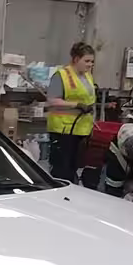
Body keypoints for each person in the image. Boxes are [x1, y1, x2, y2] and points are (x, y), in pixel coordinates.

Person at [46, 42, 97, 182]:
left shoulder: (87, 76)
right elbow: (52, 100)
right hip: (63, 130)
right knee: (62, 169)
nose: (90, 65)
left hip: (82, 129)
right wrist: (76, 105)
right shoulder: (61, 76)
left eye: (92, 61)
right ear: (75, 59)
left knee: (75, 168)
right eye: (86, 61)